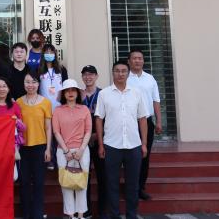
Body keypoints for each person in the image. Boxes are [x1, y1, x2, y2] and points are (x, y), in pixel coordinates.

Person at [95, 60, 148, 219]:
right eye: (117, 71)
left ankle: (132, 215)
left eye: (124, 71)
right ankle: (114, 215)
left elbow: (142, 119)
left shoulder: (136, 93)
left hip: (134, 145)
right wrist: (100, 144)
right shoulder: (104, 94)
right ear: (113, 73)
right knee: (112, 184)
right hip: (111, 145)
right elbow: (99, 119)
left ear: (128, 73)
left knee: (133, 184)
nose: (120, 74)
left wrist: (144, 144)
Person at [52, 79, 92, 219]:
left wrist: (81, 149)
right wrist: (66, 151)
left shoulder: (84, 109)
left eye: (73, 90)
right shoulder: (58, 110)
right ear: (63, 94)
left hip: (82, 151)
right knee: (66, 184)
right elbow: (56, 132)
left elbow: (88, 131)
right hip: (63, 151)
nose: (70, 93)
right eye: (67, 90)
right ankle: (70, 215)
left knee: (82, 184)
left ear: (77, 93)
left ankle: (81, 215)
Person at [126, 49, 162, 201]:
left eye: (140, 58)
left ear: (143, 61)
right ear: (129, 61)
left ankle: (140, 188)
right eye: (134, 58)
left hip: (147, 122)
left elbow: (156, 101)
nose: (137, 61)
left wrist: (159, 121)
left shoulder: (150, 79)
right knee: (129, 156)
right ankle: (130, 188)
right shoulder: (124, 78)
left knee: (144, 156)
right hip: (129, 122)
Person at [17, 74, 52, 219]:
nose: (30, 85)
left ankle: (37, 214)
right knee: (24, 182)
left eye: (33, 82)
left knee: (38, 183)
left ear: (38, 84)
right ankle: (26, 214)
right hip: (23, 148)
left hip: (40, 147)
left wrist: (48, 149)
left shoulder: (46, 102)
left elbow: (48, 128)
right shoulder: (18, 102)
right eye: (27, 82)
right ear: (24, 84)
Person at [81, 65, 106, 218]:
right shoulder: (78, 95)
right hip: (82, 142)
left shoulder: (104, 94)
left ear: (96, 76)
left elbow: (109, 118)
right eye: (85, 74)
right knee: (84, 177)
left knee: (103, 176)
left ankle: (103, 211)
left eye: (91, 74)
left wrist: (97, 135)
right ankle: (86, 210)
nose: (88, 77)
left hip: (100, 140)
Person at [0, 76, 26, 151]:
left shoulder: (15, 106)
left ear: (8, 89)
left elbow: (22, 128)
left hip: (11, 145)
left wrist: (16, 121)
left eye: (4, 86)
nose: (2, 89)